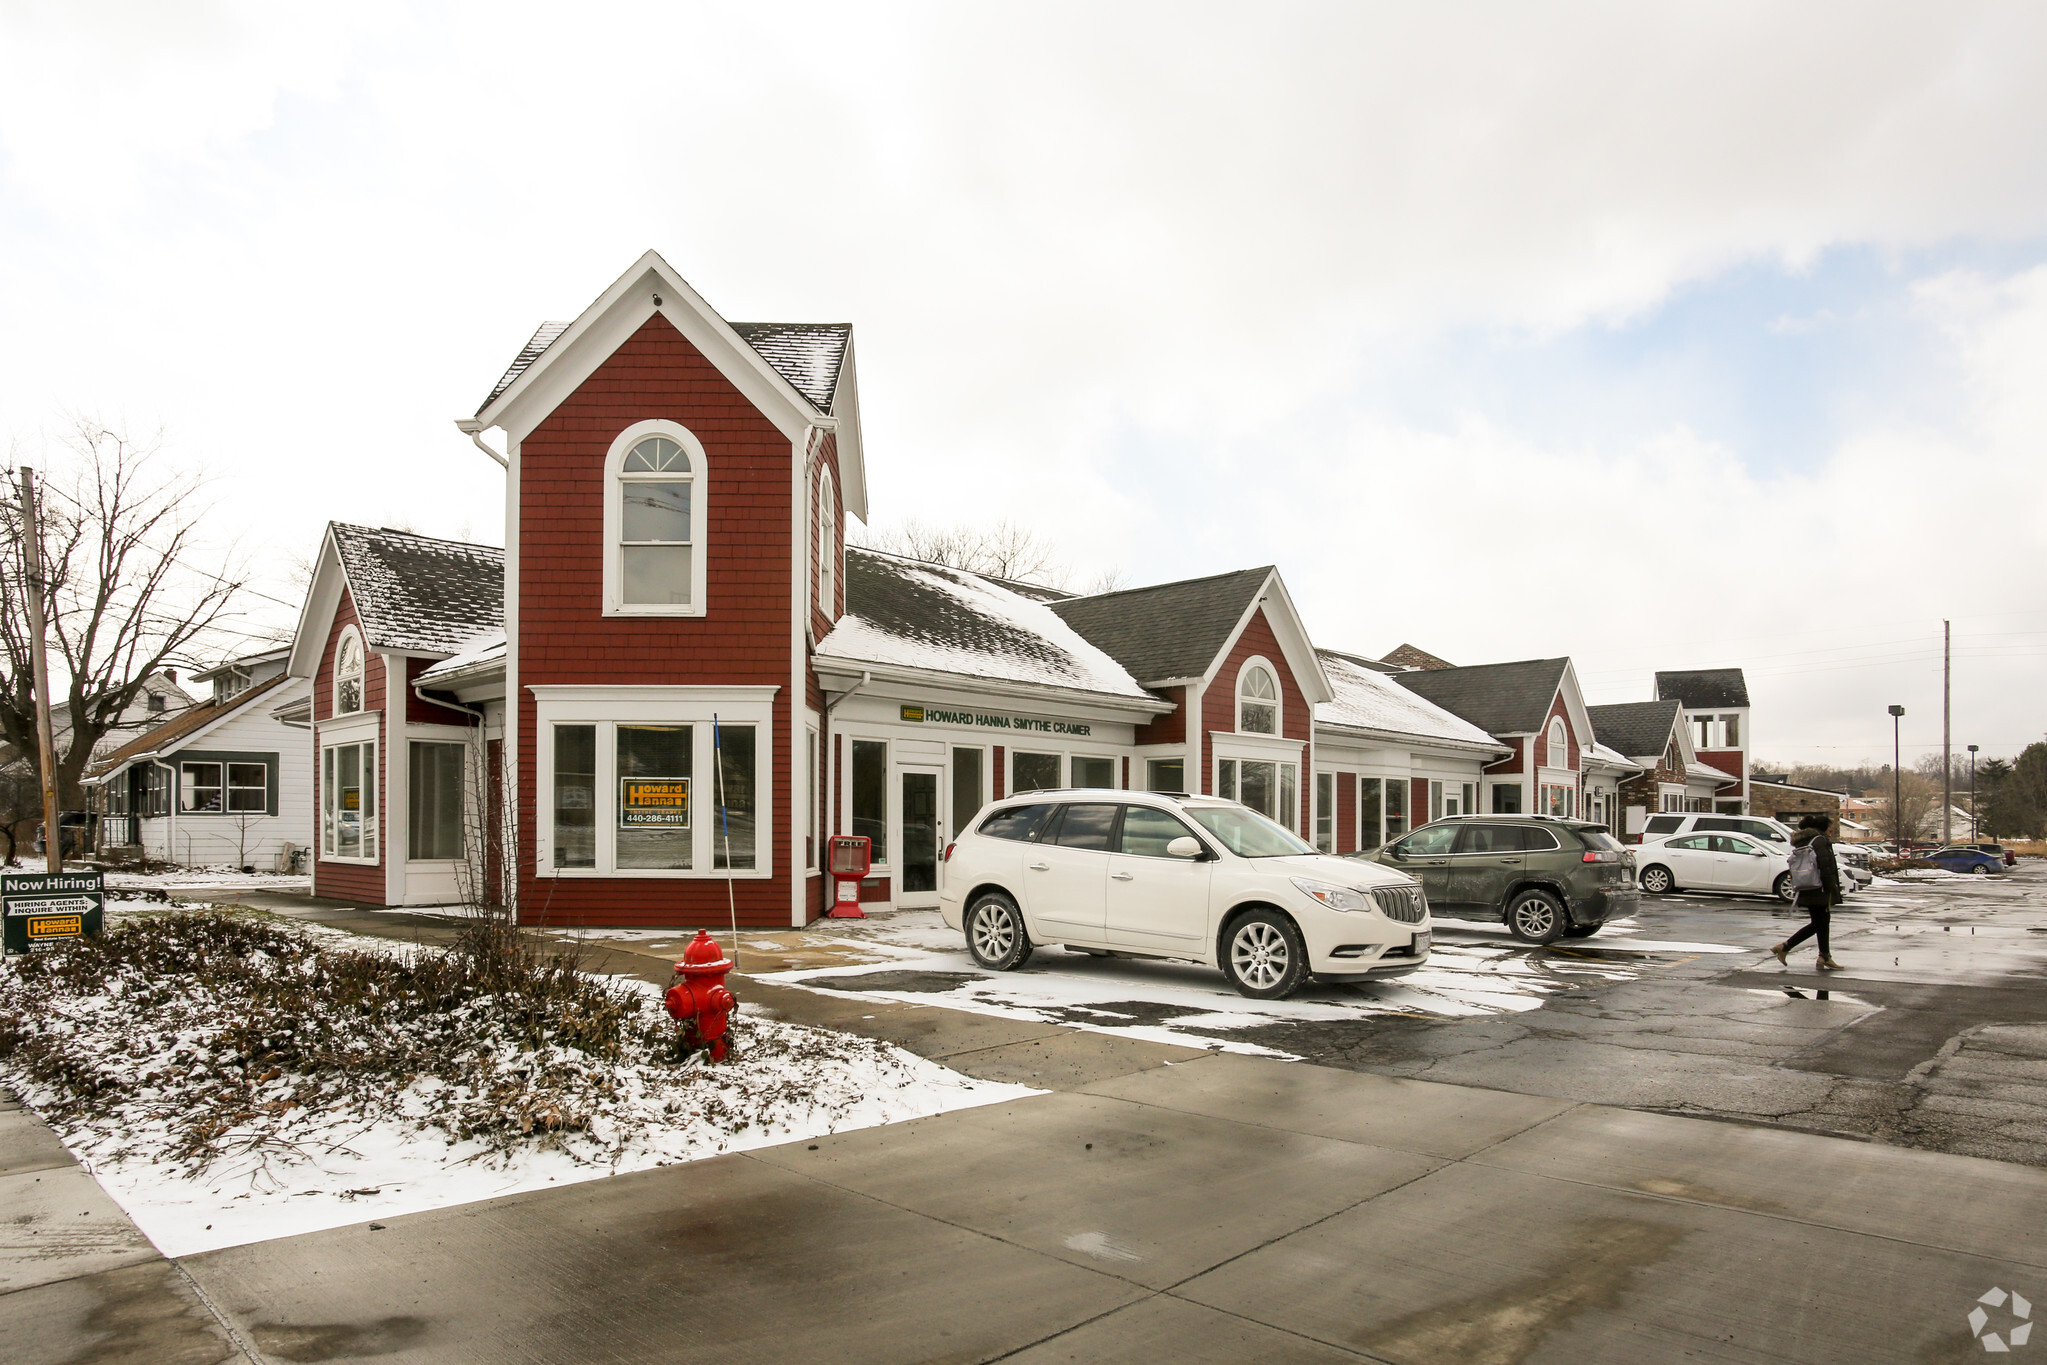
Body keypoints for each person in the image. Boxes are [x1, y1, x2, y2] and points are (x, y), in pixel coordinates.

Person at [1771, 815, 1843, 970]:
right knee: (1820, 922)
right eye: (1831, 827)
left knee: (1821, 922)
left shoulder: (1804, 840)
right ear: (1824, 827)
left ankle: (1824, 956)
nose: (1832, 830)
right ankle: (1785, 947)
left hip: (1807, 884)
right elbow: (1825, 865)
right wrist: (1832, 886)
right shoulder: (1820, 840)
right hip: (1820, 886)